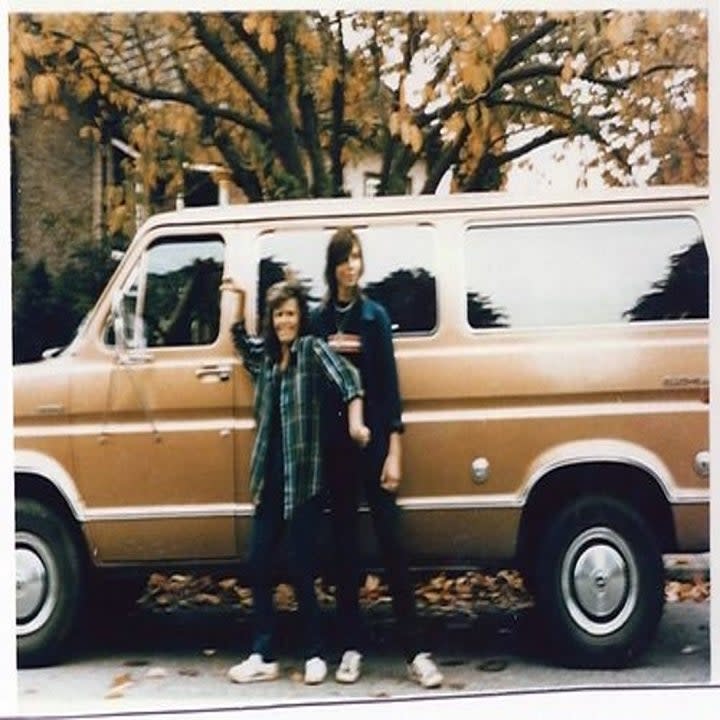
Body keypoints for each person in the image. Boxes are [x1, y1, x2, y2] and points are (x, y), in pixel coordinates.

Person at [310, 228, 444, 689]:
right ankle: (351, 648)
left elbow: (389, 389)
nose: (352, 266)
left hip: (375, 449)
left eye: (357, 257)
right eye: (344, 259)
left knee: (393, 547)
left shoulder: (375, 317)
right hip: (335, 452)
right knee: (344, 551)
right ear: (332, 267)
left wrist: (396, 452)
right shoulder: (319, 319)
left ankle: (416, 651)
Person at [223, 278, 370, 685]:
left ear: (299, 317)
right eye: (278, 314)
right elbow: (240, 341)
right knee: (258, 563)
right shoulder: (268, 359)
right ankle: (263, 654)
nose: (285, 321)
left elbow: (350, 382)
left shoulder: (311, 350)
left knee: (301, 568)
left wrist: (357, 424)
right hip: (269, 481)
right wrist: (236, 300)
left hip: (303, 481)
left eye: (290, 313)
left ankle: (315, 653)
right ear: (271, 320)